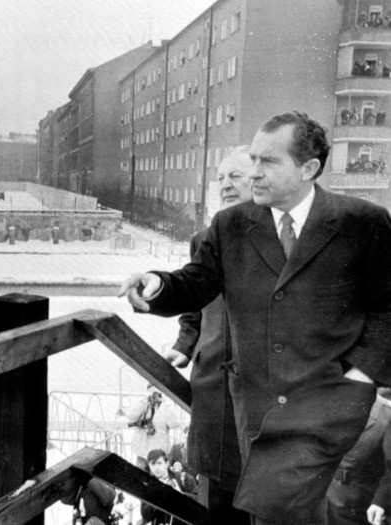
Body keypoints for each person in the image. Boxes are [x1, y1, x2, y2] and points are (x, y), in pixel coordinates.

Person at [119, 111, 391, 524]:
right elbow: (196, 283)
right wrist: (158, 285)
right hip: (255, 408)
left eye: (268, 162)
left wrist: (362, 375)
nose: (255, 173)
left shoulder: (362, 222)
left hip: (328, 406)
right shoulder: (231, 225)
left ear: (309, 168)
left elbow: (387, 306)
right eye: (255, 160)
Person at [164, 147, 253, 525]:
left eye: (235, 175)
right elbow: (192, 299)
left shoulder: (287, 239)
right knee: (218, 494)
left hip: (262, 386)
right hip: (214, 386)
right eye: (220, 178)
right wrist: (186, 345)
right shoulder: (204, 238)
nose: (226, 185)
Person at [326, 388, 391, 524]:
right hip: (321, 496)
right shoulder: (329, 402)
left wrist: (380, 503)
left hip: (356, 505)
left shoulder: (386, 415)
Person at [125, 386, 182, 470]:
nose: (155, 396)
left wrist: (164, 403)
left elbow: (174, 424)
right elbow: (131, 416)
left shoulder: (165, 407)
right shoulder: (143, 403)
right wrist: (145, 400)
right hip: (142, 453)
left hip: (159, 453)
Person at [140, 449, 182, 525]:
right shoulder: (148, 485)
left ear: (167, 463)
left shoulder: (181, 479)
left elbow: (198, 500)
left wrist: (180, 494)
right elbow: (145, 514)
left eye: (159, 463)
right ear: (149, 466)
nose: (156, 468)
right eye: (153, 464)